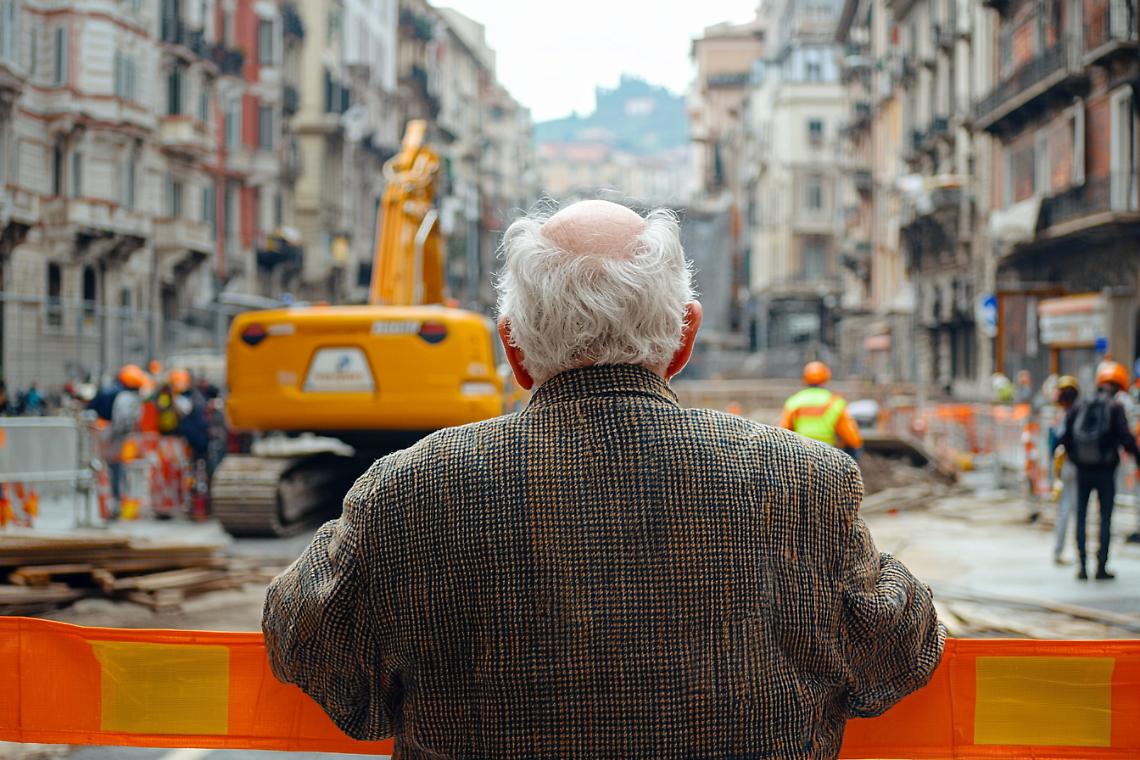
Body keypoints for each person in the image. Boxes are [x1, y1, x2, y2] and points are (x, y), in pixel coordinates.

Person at [262, 199, 944, 759]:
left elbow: (307, 643)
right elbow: (899, 655)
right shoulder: (806, 481)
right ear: (684, 338)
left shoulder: (404, 491)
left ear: (513, 348)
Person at [1058, 360, 1140, 580]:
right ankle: (1101, 566)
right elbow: (1126, 439)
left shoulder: (1081, 404)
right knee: (1105, 518)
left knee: (1082, 517)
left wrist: (1075, 459)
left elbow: (1064, 437)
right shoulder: (1115, 408)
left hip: (1083, 470)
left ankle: (1083, 566)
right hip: (1105, 471)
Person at [780, 361, 864, 459]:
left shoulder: (794, 402)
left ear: (805, 379)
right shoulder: (835, 402)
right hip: (828, 453)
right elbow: (851, 438)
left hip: (801, 453)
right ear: (826, 378)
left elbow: (784, 432)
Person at [1049, 375, 1081, 565]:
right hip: (1074, 466)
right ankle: (1077, 552)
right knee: (1075, 510)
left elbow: (1057, 442)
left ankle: (1060, 551)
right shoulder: (1075, 413)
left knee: (1065, 510)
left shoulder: (1063, 416)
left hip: (1068, 466)